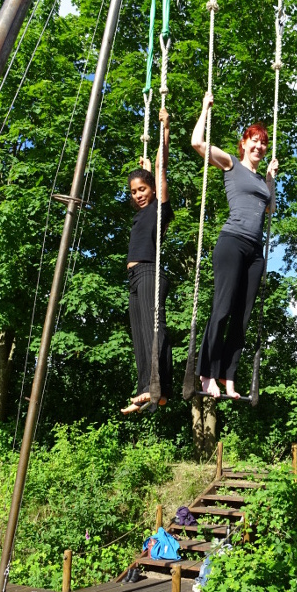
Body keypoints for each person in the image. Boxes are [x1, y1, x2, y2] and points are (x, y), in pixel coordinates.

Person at [191, 92, 278, 399]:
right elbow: (197, 144)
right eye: (254, 140)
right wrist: (205, 109)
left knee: (242, 317)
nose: (259, 146)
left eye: (263, 142)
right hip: (232, 242)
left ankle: (229, 377)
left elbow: (270, 209)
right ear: (244, 143)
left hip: (255, 251)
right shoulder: (231, 164)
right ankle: (207, 375)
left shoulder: (261, 178)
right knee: (223, 308)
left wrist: (271, 179)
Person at [121, 107, 174, 415]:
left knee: (155, 330)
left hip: (149, 273)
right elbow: (151, 170)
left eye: (143, 189)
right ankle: (148, 391)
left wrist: (164, 131)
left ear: (154, 190)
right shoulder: (142, 214)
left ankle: (159, 388)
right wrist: (143, 168)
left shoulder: (159, 209)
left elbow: (161, 166)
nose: (138, 194)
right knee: (140, 335)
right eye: (134, 191)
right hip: (135, 277)